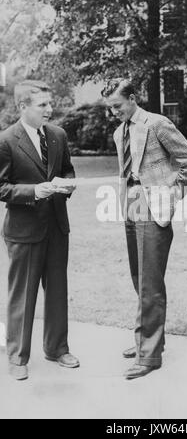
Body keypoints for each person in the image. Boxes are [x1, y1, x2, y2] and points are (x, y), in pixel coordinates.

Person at [103, 79, 187, 380]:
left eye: (117, 106)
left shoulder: (157, 123)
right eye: (110, 109)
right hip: (132, 203)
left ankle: (150, 356)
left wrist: (171, 192)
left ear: (133, 99)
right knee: (139, 277)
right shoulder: (121, 131)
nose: (114, 113)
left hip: (154, 205)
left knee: (150, 282)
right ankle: (146, 339)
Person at [0, 80, 80, 381]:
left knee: (58, 291)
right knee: (22, 294)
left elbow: (68, 170)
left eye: (50, 103)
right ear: (23, 106)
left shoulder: (58, 135)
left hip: (58, 227)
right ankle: (18, 356)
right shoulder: (6, 140)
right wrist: (35, 191)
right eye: (42, 104)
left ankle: (57, 348)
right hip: (24, 231)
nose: (50, 109)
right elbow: (1, 187)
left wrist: (67, 184)